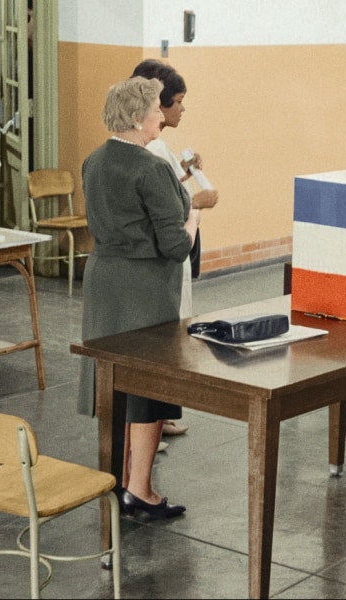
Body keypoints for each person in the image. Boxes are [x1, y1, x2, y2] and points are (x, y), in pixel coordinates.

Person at [78, 76, 200, 517]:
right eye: (153, 108)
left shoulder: (94, 161)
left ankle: (117, 478)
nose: (159, 116)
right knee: (146, 388)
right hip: (144, 288)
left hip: (104, 279)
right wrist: (195, 218)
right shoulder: (152, 168)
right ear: (135, 116)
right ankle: (141, 489)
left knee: (114, 383)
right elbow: (175, 246)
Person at [129, 59, 219, 440]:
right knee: (163, 340)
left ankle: (155, 420)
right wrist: (198, 203)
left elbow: (166, 191)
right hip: (164, 256)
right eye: (176, 102)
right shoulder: (149, 148)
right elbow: (172, 208)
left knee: (167, 337)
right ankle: (147, 425)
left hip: (160, 257)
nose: (179, 111)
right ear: (157, 105)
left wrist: (184, 177)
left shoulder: (151, 150)